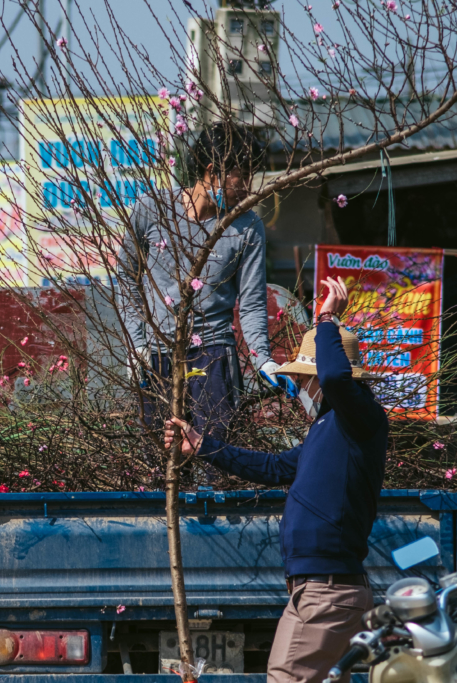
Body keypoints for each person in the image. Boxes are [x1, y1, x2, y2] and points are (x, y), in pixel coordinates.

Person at [165, 276, 387, 683]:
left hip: (326, 592)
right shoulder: (327, 429)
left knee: (285, 677)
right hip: (316, 590)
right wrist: (202, 446)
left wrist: (325, 319)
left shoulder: (361, 419)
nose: (299, 388)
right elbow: (272, 468)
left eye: (303, 379)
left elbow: (336, 379)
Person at [118, 122, 283, 442]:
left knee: (217, 458)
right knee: (159, 460)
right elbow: (127, 276)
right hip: (156, 355)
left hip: (214, 357)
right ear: (213, 170)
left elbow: (250, 303)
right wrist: (136, 344)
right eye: (242, 175)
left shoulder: (247, 227)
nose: (249, 186)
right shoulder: (152, 209)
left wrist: (263, 359)